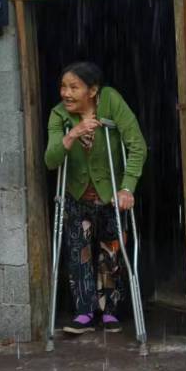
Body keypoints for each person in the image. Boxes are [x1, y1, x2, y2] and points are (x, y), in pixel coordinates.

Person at [44, 62, 147, 335]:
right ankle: (85, 311)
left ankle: (110, 310)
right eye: (63, 87)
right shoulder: (59, 115)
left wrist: (127, 188)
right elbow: (51, 160)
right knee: (79, 253)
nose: (66, 93)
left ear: (92, 90)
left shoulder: (111, 101)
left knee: (110, 251)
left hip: (111, 193)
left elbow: (136, 145)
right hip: (76, 194)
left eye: (73, 87)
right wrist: (72, 135)